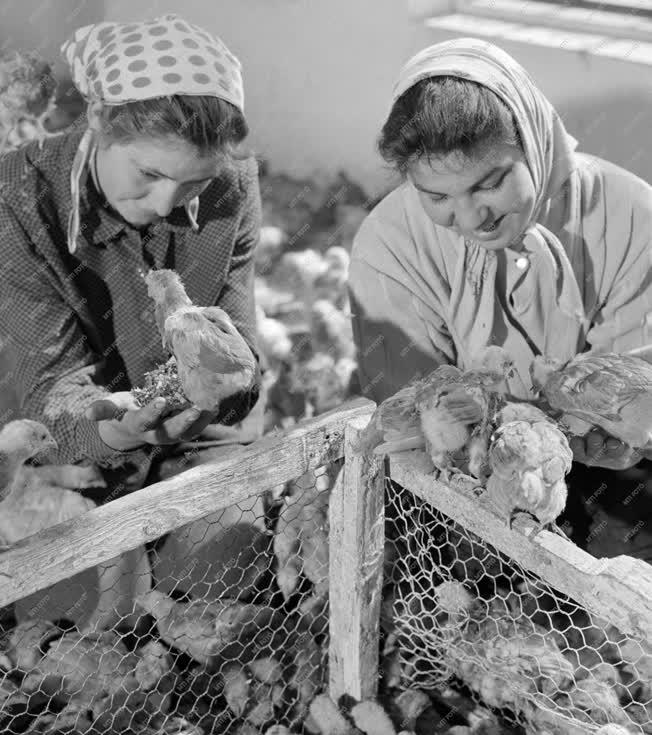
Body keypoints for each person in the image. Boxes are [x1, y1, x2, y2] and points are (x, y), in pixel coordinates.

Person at [0, 14, 266, 629]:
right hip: (59, 453)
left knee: (218, 563)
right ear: (98, 121)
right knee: (60, 598)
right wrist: (117, 431)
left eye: (193, 180)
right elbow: (48, 388)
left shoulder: (230, 191)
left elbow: (241, 348)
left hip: (193, 441)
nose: (167, 204)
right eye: (148, 173)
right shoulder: (18, 198)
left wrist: (215, 392)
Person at [349, 38, 652, 557]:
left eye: (490, 184)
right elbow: (413, 407)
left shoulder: (630, 217)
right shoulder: (389, 245)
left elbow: (635, 394)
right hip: (465, 473)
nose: (470, 220)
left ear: (533, 142)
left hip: (606, 468)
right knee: (451, 567)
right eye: (438, 197)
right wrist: (487, 444)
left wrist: (595, 435)